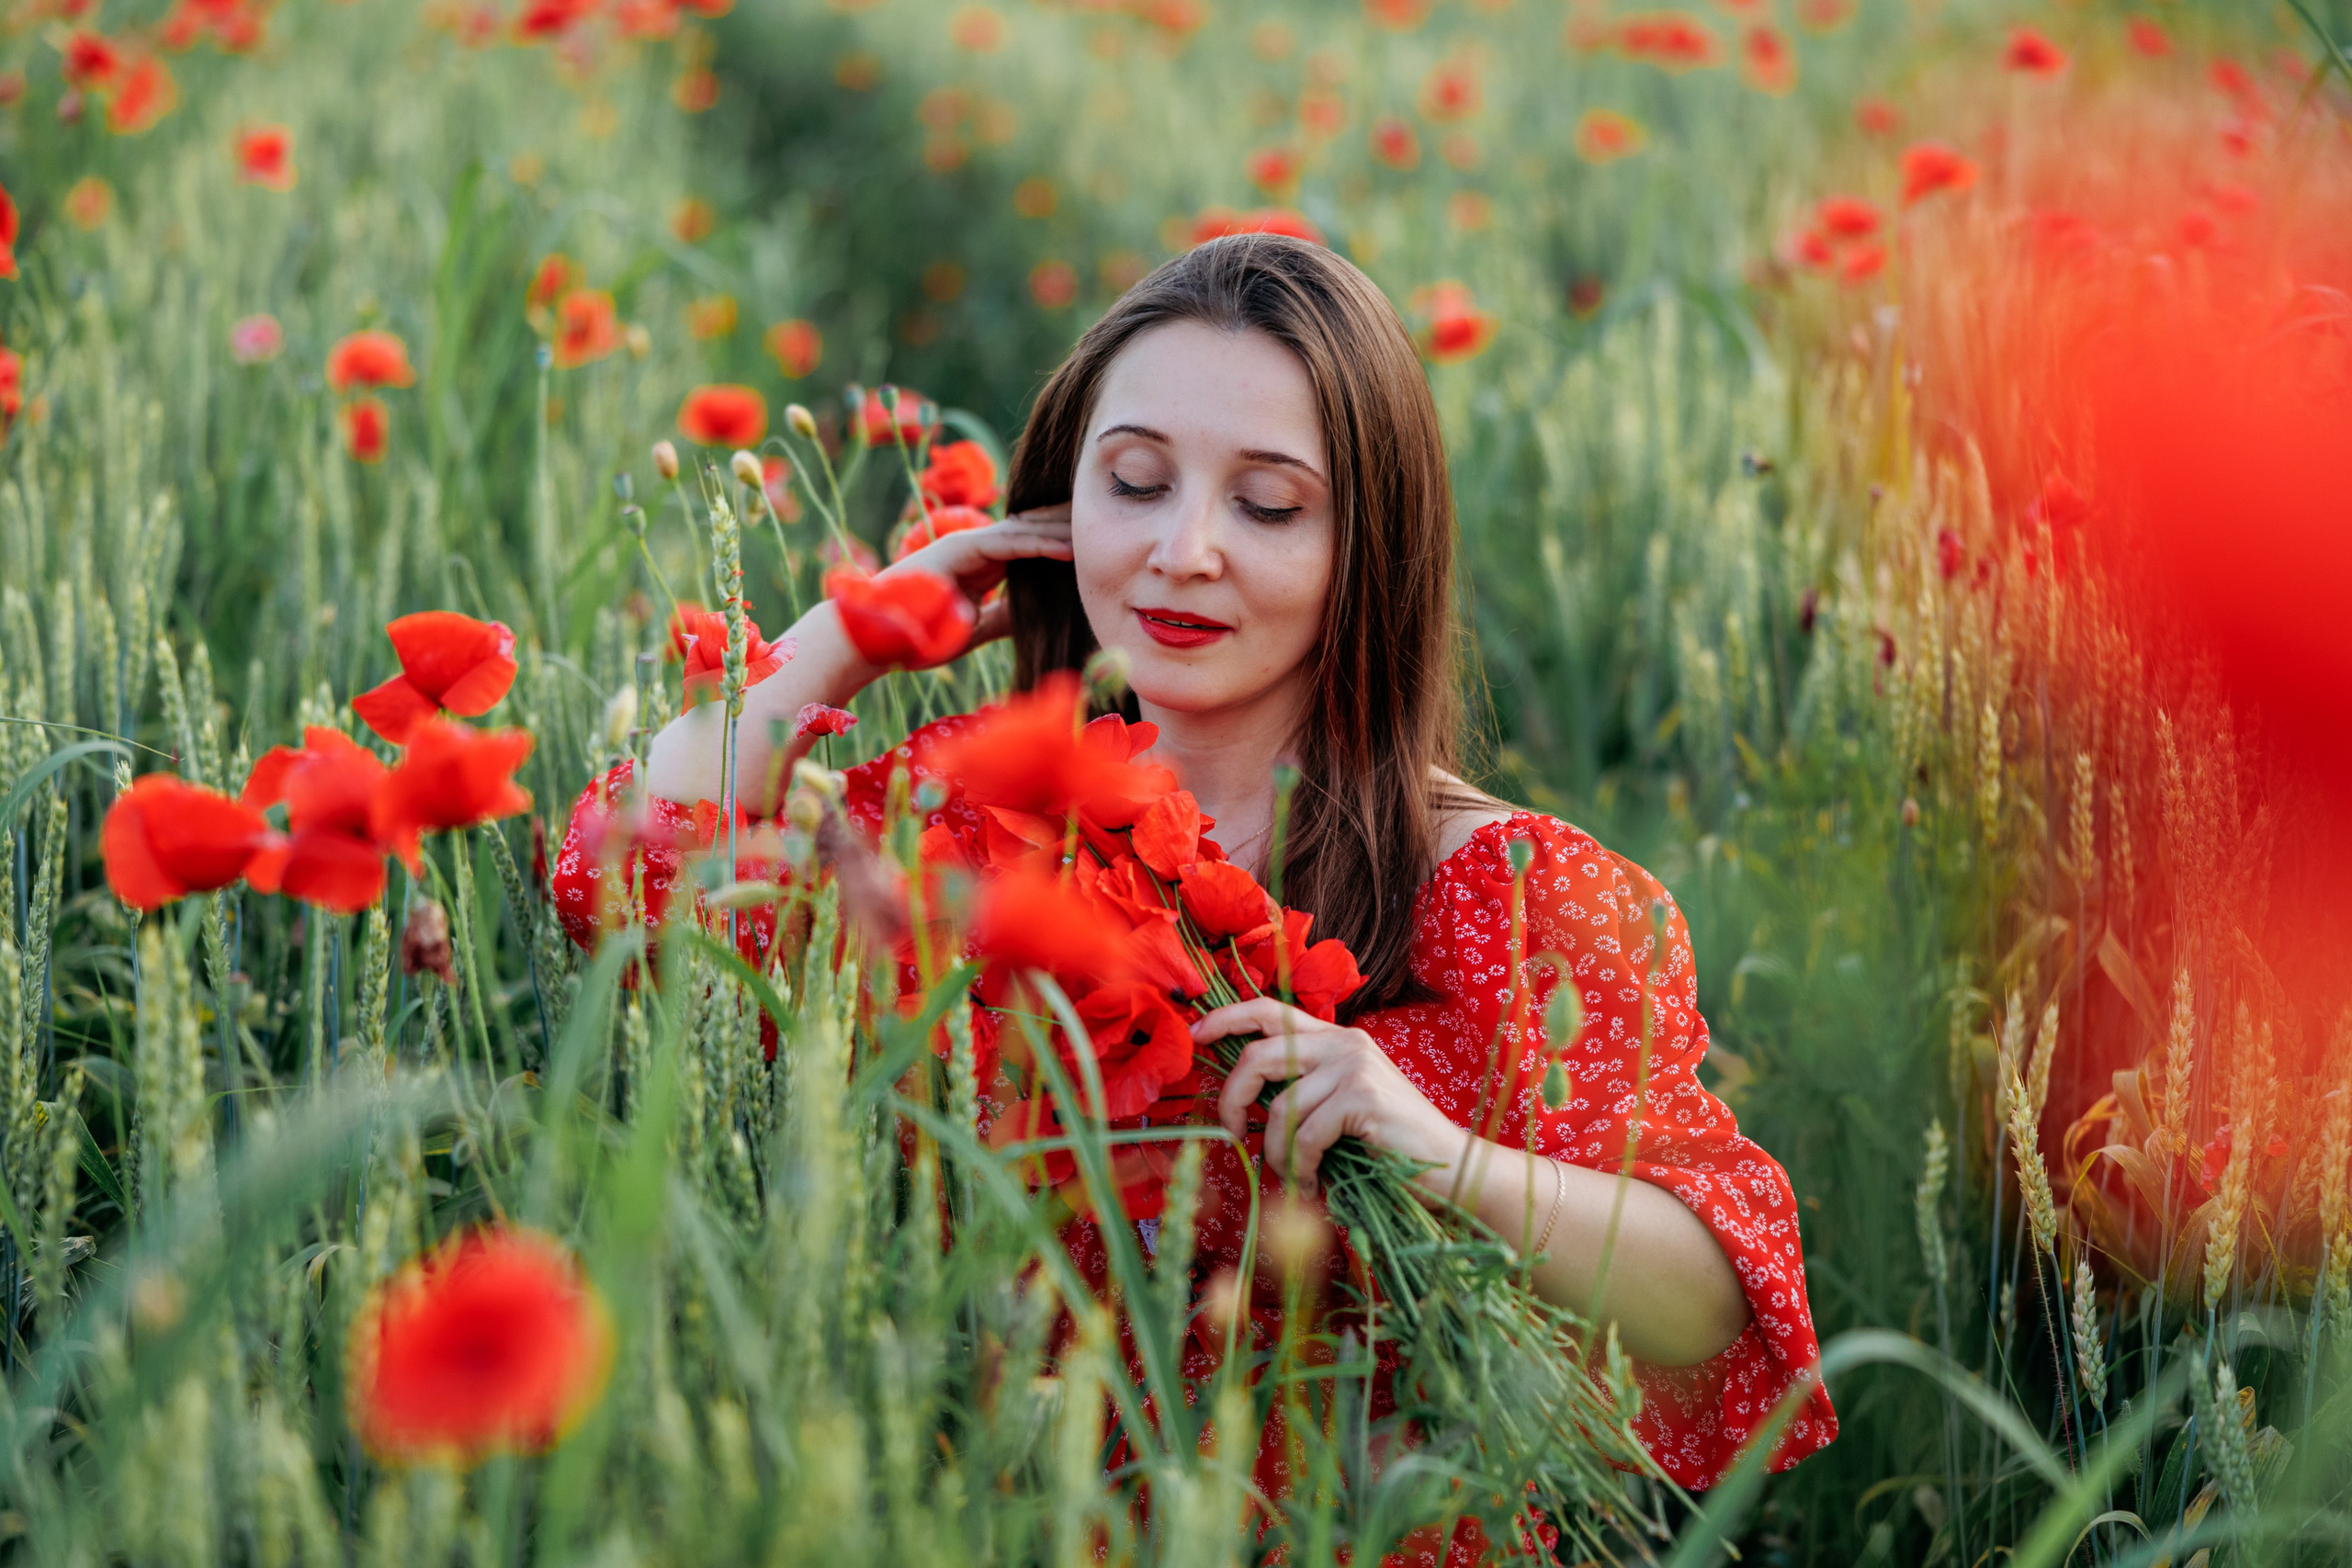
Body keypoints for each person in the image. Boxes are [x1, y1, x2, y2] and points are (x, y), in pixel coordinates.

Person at [557, 233, 1835, 1560]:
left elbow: (1714, 1298)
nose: (1183, 550)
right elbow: (620, 879)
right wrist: (852, 634)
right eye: (1135, 482)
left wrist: (1439, 1155)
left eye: (1268, 506)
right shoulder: (969, 822)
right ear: (1064, 503)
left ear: (1370, 545)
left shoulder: (1513, 894)